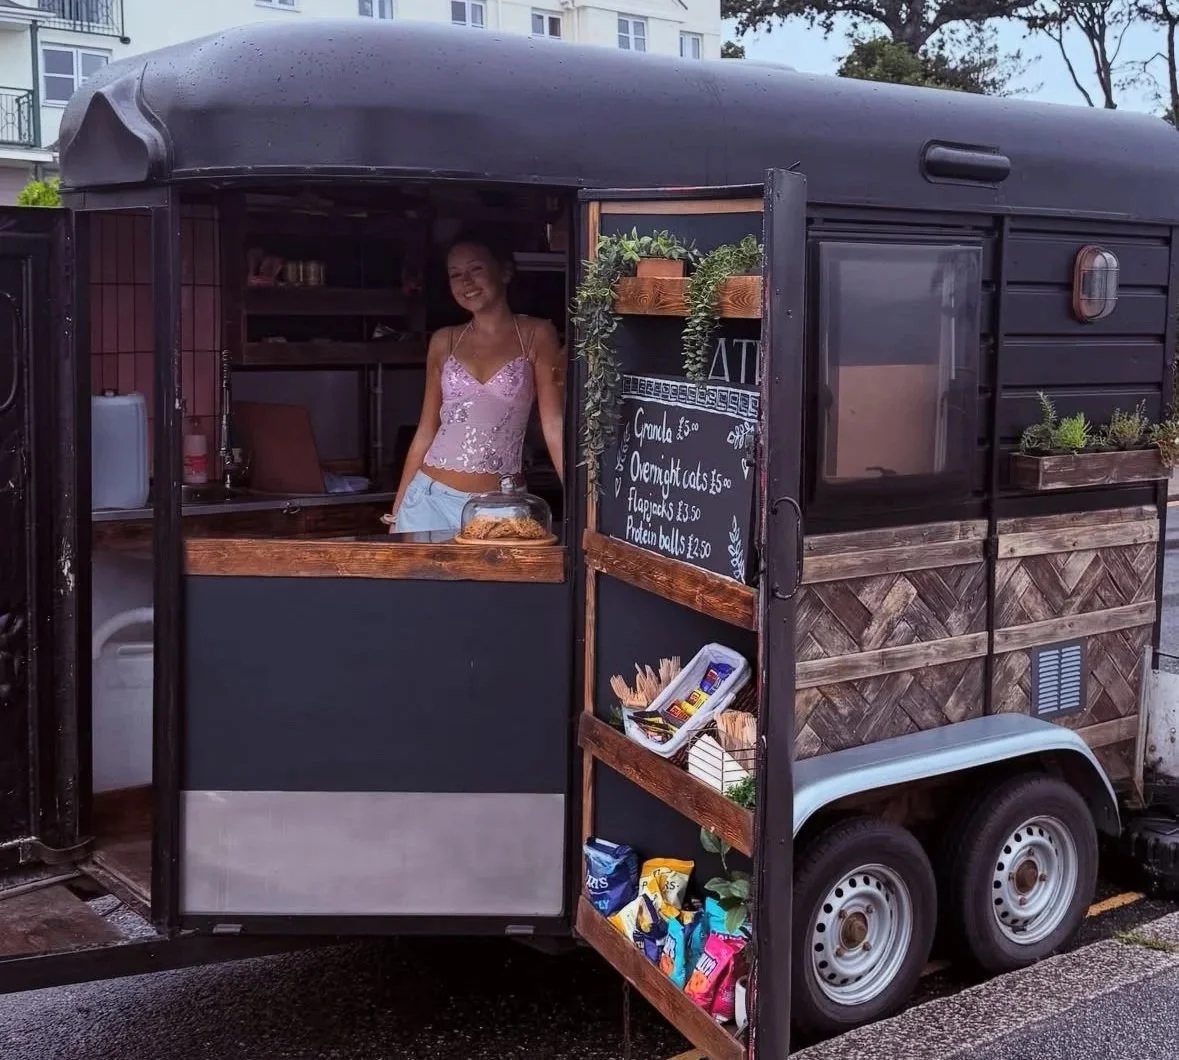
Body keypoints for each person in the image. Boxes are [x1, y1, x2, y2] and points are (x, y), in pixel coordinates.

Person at [387, 234, 565, 533]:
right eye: (455, 274)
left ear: (504, 271)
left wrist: (583, 502)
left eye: (476, 269)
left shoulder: (537, 334)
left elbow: (553, 425)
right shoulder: (444, 341)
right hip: (428, 499)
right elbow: (426, 431)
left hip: (501, 505)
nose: (465, 282)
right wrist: (397, 512)